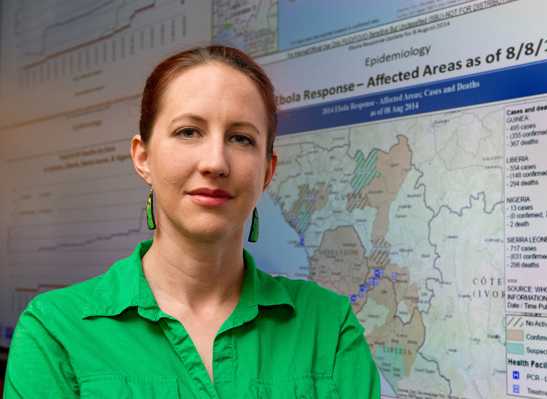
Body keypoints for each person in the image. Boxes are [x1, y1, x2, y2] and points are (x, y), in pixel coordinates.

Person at [3, 45, 380, 398]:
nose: (215, 162)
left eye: (241, 138)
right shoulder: (55, 330)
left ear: (267, 170)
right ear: (143, 157)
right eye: (189, 132)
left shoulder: (329, 328)